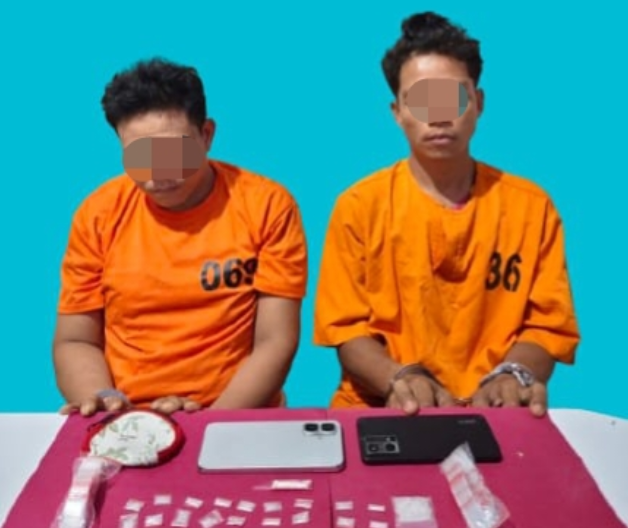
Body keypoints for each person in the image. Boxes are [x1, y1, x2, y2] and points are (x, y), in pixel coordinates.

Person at [313, 12, 580, 417]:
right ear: (397, 112)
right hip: (382, 408)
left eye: (452, 98)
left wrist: (512, 374)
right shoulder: (359, 206)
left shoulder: (531, 207)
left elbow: (548, 326)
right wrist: (399, 378)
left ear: (479, 103)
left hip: (497, 410)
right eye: (421, 101)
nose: (438, 116)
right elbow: (346, 332)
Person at [53, 58, 308, 417]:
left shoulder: (267, 205)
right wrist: (106, 403)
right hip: (126, 414)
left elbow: (276, 340)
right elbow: (75, 339)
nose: (159, 173)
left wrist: (210, 423)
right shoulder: (98, 214)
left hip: (235, 412)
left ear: (206, 135)